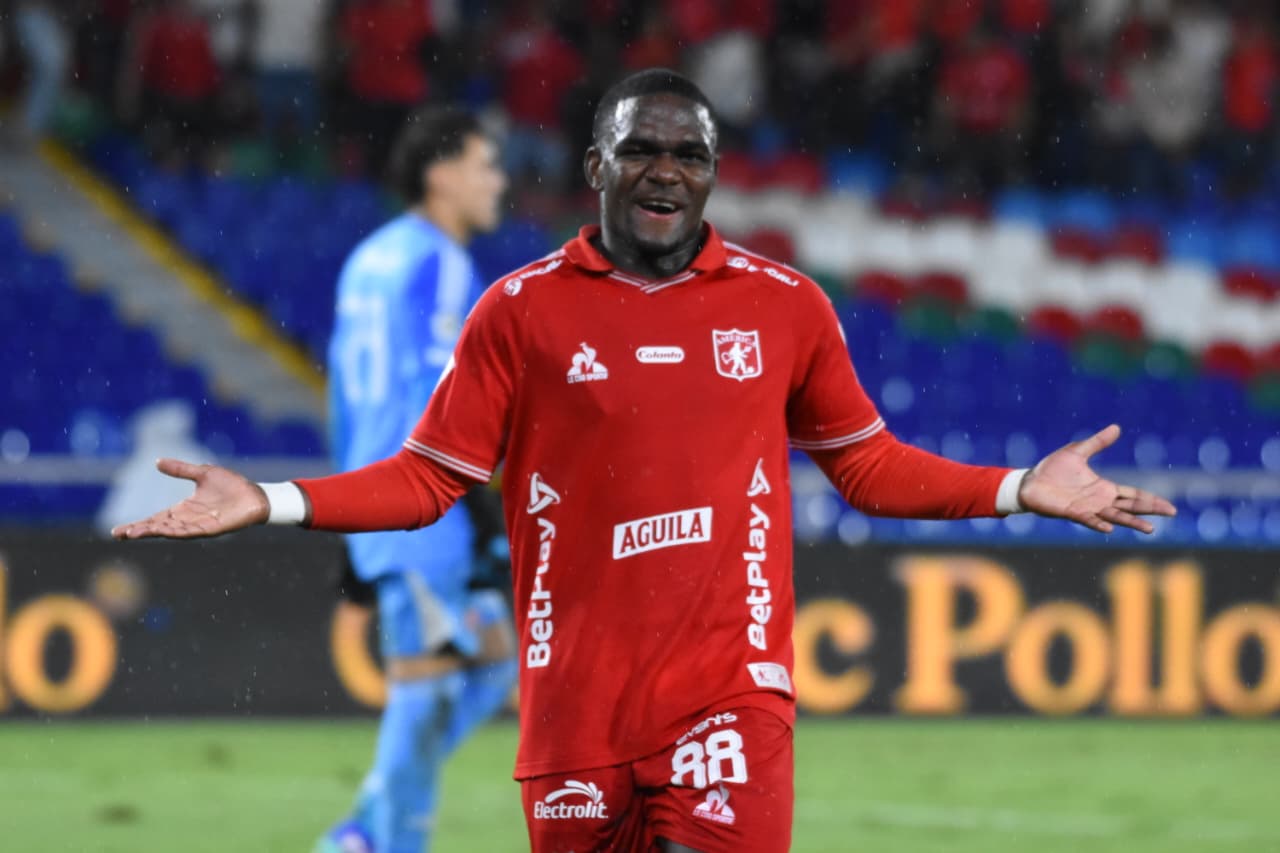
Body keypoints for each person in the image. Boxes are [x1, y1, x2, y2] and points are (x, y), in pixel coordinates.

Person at [113, 69, 1176, 853]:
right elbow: (427, 477)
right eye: (639, 149)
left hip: (729, 696)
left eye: (688, 154)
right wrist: (273, 500)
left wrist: (1014, 489)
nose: (664, 169)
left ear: (710, 178)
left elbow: (867, 465)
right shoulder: (517, 313)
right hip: (573, 708)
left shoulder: (783, 306)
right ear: (596, 169)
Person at [315, 104, 517, 853]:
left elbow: (342, 394)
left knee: (495, 662)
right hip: (426, 508)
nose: (499, 179)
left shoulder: (369, 259)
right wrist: (487, 513)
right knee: (429, 688)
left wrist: (346, 512)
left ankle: (368, 826)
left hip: (379, 498)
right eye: (484, 163)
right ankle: (369, 835)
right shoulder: (441, 260)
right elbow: (446, 398)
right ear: (440, 173)